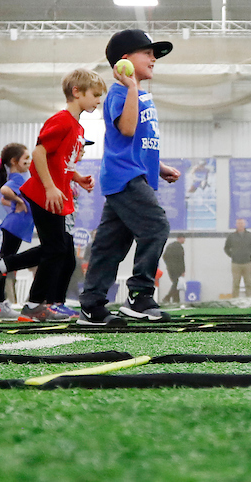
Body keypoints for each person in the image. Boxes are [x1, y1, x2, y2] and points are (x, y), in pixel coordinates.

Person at [78, 32, 181, 326]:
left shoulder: (139, 94)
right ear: (124, 61)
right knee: (156, 226)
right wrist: (131, 87)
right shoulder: (120, 93)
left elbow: (138, 141)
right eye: (147, 53)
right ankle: (139, 295)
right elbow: (125, 129)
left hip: (134, 176)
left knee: (109, 246)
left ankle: (92, 305)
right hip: (125, 177)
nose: (153, 59)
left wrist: (159, 167)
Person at [0, 70, 102, 322]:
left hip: (58, 197)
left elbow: (62, 164)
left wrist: (77, 178)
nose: (98, 100)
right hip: (44, 195)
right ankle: (31, 301)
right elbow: (39, 153)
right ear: (76, 92)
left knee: (57, 249)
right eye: (95, 95)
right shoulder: (61, 120)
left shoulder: (78, 127)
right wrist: (50, 187)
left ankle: (8, 273)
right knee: (56, 249)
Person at [0, 144, 33, 319]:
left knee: (6, 264)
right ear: (14, 161)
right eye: (25, 159)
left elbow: (4, 199)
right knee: (4, 265)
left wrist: (15, 203)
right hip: (15, 226)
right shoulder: (18, 177)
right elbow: (4, 191)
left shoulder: (19, 176)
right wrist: (19, 201)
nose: (29, 161)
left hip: (15, 226)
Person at [224, 218, 251, 300]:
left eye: (242, 223)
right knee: (236, 283)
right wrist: (233, 255)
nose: (240, 225)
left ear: (245, 224)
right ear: (236, 225)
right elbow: (226, 248)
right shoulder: (231, 236)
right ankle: (235, 300)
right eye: (238, 223)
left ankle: (249, 300)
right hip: (236, 263)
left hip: (248, 263)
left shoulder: (250, 236)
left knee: (248, 283)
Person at [162, 234, 186, 305]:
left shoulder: (170, 246)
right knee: (176, 284)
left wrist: (168, 265)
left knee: (175, 284)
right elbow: (181, 260)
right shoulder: (179, 247)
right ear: (180, 238)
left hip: (170, 269)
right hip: (177, 269)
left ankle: (176, 300)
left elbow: (164, 256)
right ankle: (167, 297)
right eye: (183, 238)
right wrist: (183, 270)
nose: (184, 240)